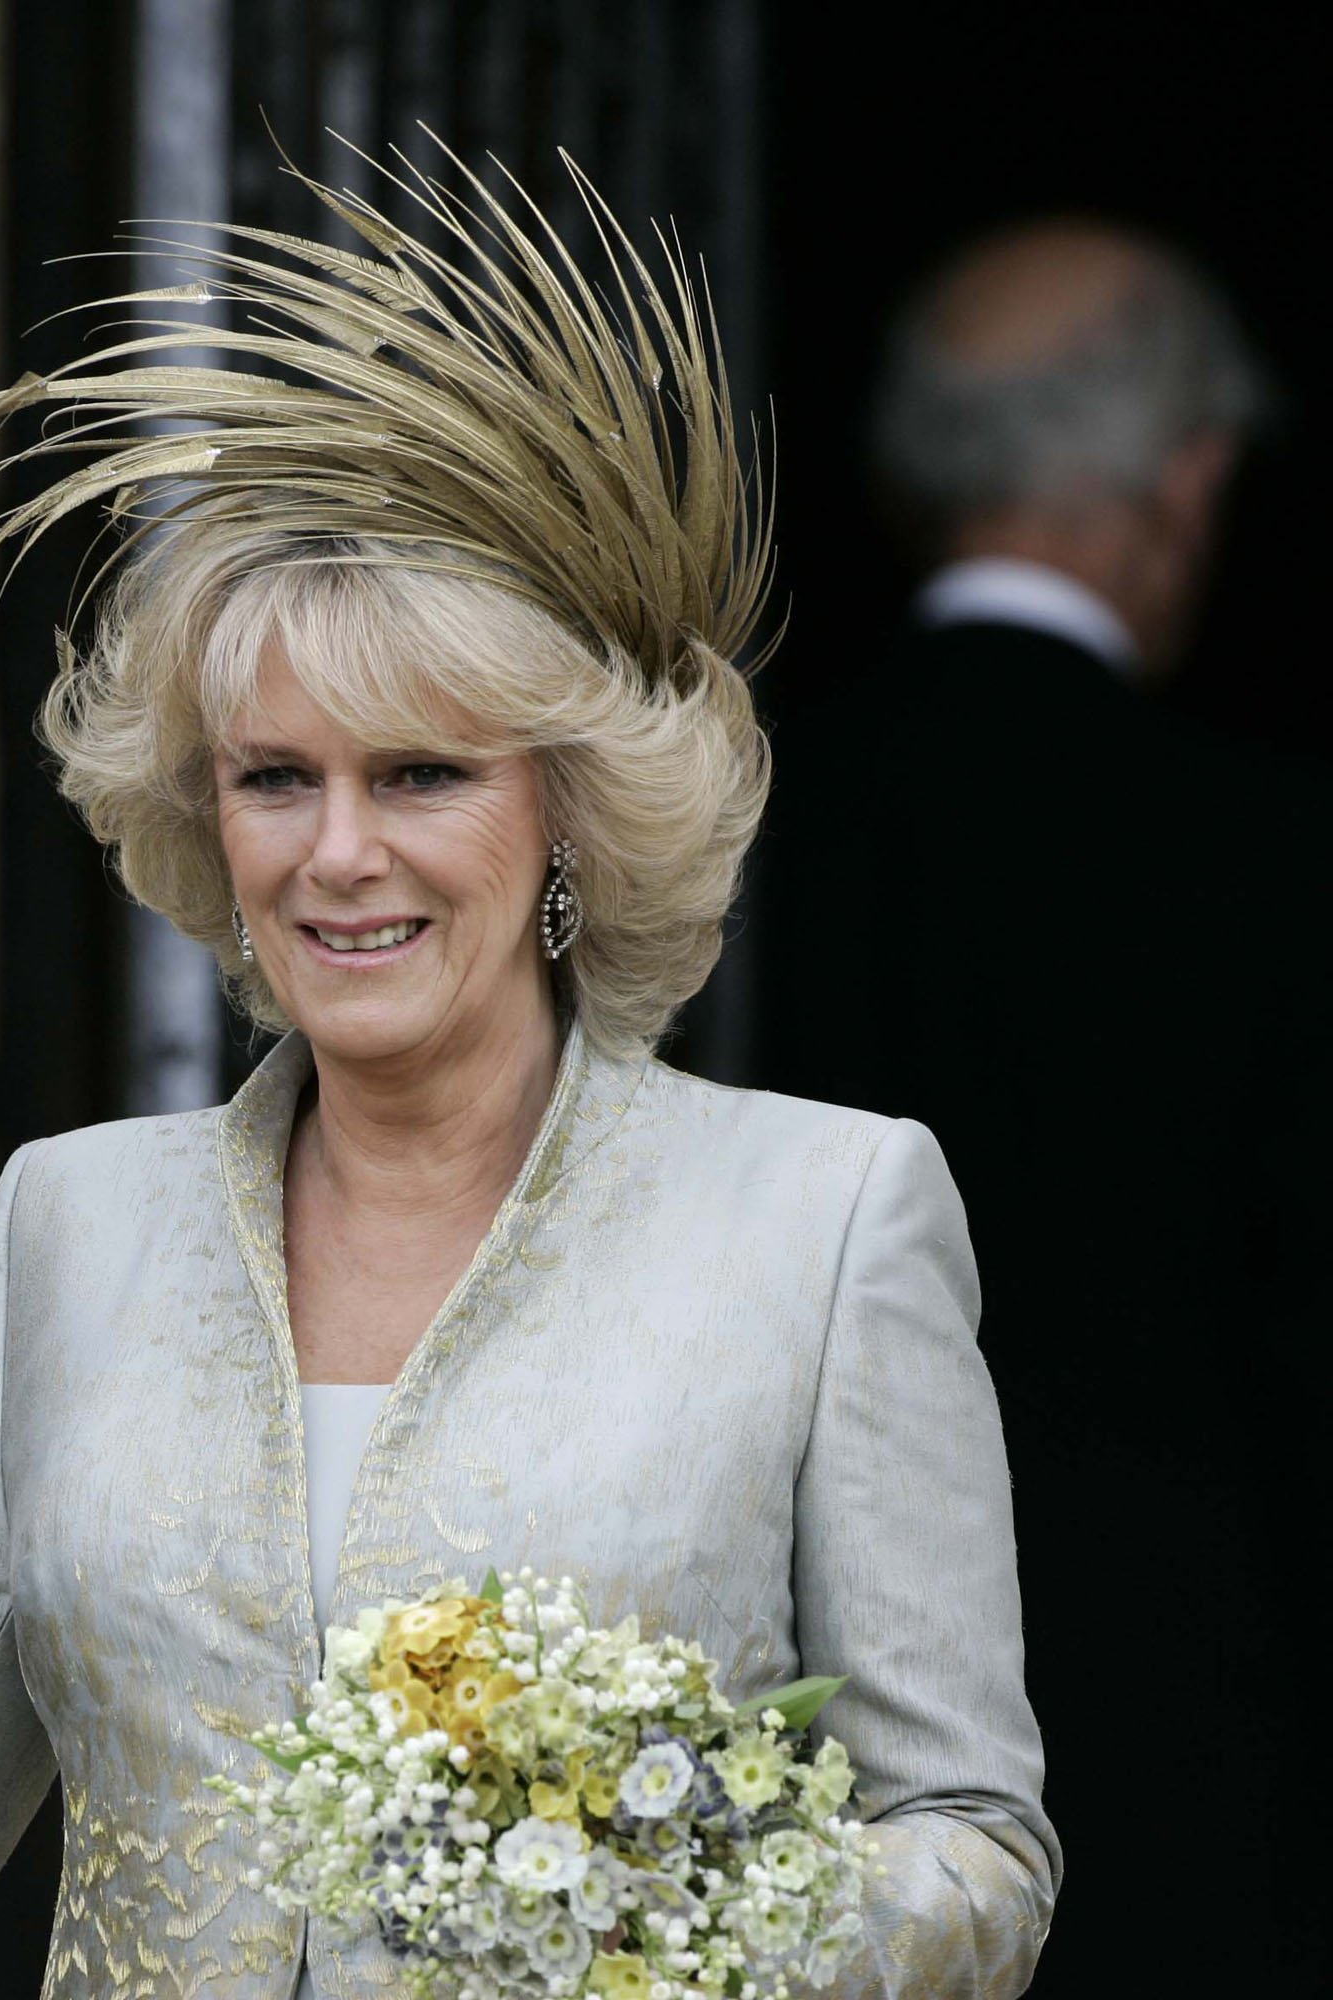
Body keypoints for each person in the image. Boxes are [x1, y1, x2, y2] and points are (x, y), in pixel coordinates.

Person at [0, 157, 1061, 1996]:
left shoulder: (828, 1216)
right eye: (275, 778)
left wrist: (679, 1909)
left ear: (567, 821)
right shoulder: (78, 1221)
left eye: (422, 776)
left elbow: (976, 1848)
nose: (336, 854)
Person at [759, 220, 1309, 1994]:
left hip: (792, 1729)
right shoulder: (1277, 854)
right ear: (1191, 481)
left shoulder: (740, 825)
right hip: (1204, 1738)